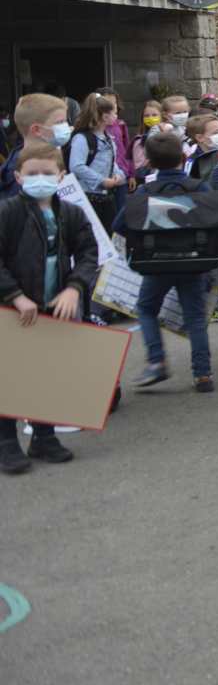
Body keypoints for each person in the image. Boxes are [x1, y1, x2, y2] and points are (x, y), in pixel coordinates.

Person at [0, 140, 98, 473]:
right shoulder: (7, 212)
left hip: (55, 302)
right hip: (14, 307)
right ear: (18, 175)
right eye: (32, 173)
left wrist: (74, 287)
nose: (39, 178)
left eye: (47, 172)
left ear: (61, 175)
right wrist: (14, 295)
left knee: (46, 371)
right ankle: (6, 442)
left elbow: (88, 253)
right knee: (10, 376)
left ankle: (43, 435)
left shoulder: (71, 212)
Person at [125, 128, 218, 394]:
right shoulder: (200, 187)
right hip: (195, 259)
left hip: (157, 263)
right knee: (195, 317)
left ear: (150, 162)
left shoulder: (145, 191)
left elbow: (122, 222)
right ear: (183, 158)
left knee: (145, 309)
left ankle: (156, 361)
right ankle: (203, 374)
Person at [64, 92, 125, 228]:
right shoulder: (82, 138)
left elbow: (112, 163)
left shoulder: (108, 139)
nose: (116, 116)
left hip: (107, 197)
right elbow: (77, 166)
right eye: (114, 113)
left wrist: (119, 175)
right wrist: (101, 180)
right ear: (104, 116)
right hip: (88, 196)